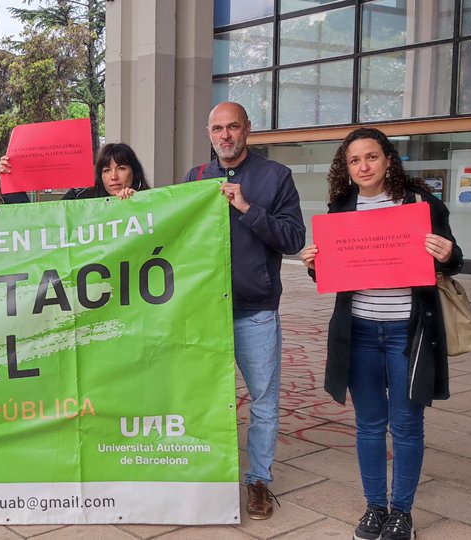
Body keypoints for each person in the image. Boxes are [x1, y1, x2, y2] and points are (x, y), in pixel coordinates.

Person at [299, 127, 461, 540]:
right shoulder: (341, 207)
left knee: (407, 425)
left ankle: (401, 513)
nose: (364, 166)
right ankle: (375, 507)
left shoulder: (420, 203)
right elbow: (334, 271)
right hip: (361, 331)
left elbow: (452, 256)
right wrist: (314, 262)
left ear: (388, 159)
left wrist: (449, 254)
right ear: (347, 168)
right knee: (369, 424)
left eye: (371, 157)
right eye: (355, 160)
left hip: (408, 332)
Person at [183, 101, 304, 520]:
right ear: (209, 132)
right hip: (204, 312)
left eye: (233, 126)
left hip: (255, 311)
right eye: (217, 128)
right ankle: (205, 477)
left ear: (248, 129)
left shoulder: (275, 177)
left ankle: (258, 482)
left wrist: (248, 210)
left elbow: (292, 238)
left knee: (264, 402)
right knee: (201, 400)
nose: (225, 135)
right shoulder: (195, 177)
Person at [0, 142, 146, 201]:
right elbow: (40, 224)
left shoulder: (153, 203)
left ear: (134, 171)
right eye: (106, 170)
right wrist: (10, 181)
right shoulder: (80, 198)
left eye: (121, 168)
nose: (113, 176)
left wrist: (137, 203)